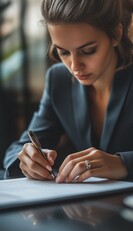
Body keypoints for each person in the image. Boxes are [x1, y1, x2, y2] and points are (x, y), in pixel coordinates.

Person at [3, 0, 133, 182]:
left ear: (116, 34)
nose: (74, 66)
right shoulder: (59, 80)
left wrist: (124, 164)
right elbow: (18, 149)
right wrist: (27, 158)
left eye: (88, 51)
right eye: (63, 52)